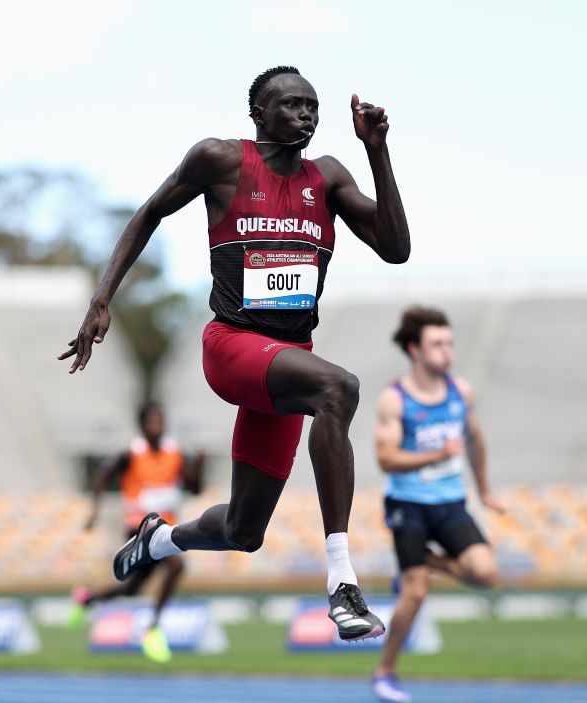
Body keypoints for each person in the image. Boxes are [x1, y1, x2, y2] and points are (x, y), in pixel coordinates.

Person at [59, 65, 409, 640]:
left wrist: (377, 153)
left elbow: (396, 249)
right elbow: (149, 212)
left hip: (288, 358)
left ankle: (159, 538)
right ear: (259, 113)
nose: (306, 115)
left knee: (245, 530)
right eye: (293, 105)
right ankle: (343, 584)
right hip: (233, 347)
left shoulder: (329, 178)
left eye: (313, 107)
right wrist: (102, 299)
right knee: (338, 388)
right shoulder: (220, 160)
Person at [371, 306, 503, 703]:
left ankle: (425, 560)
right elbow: (386, 459)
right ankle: (385, 673)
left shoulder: (461, 391)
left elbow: (475, 440)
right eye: (437, 344)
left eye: (450, 343)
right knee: (416, 594)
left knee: (485, 573)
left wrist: (484, 491)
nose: (447, 351)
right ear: (415, 350)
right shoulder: (395, 400)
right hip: (407, 504)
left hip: (450, 501)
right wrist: (436, 454)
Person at [69, 401, 204, 663]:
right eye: (152, 422)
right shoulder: (131, 453)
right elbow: (103, 475)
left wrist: (197, 466)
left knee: (131, 589)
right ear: (142, 425)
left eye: (160, 421)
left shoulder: (173, 453)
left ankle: (87, 599)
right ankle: (152, 629)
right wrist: (94, 509)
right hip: (138, 528)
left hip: (166, 530)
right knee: (176, 567)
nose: (157, 426)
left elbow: (195, 488)